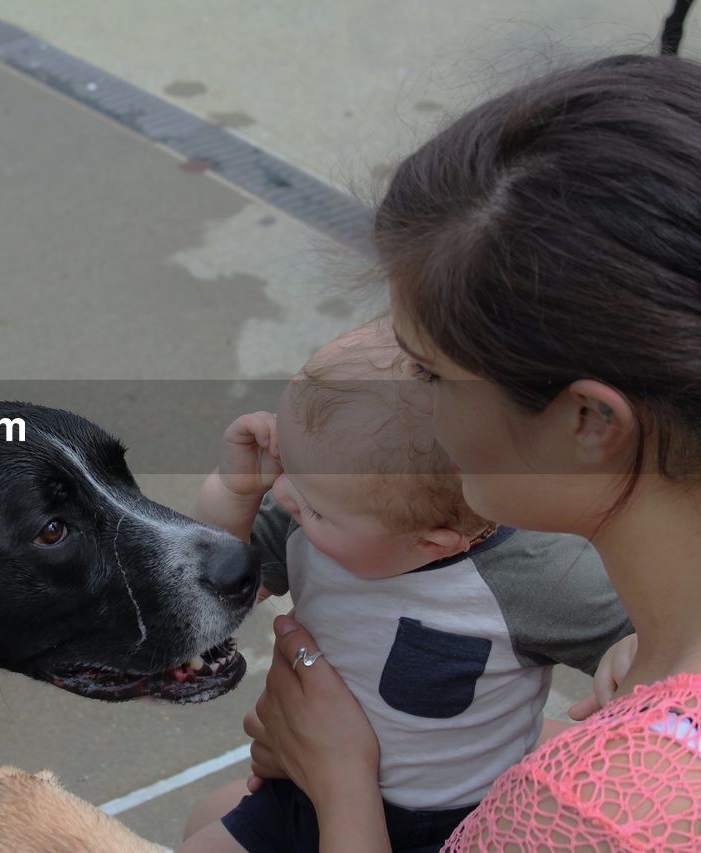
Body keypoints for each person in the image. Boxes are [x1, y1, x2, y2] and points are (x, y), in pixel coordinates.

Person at [246, 53, 701, 851]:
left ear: (591, 419)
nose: (407, 403)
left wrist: (341, 782)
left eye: (429, 372)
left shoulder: (593, 812)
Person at [184, 319, 629, 852]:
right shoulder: (315, 518)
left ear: (433, 542)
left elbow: (653, 640)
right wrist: (234, 492)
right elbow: (208, 590)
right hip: (301, 779)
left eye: (311, 503)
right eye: (286, 469)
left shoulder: (539, 579)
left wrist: (628, 652)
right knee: (201, 834)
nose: (281, 496)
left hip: (454, 819)